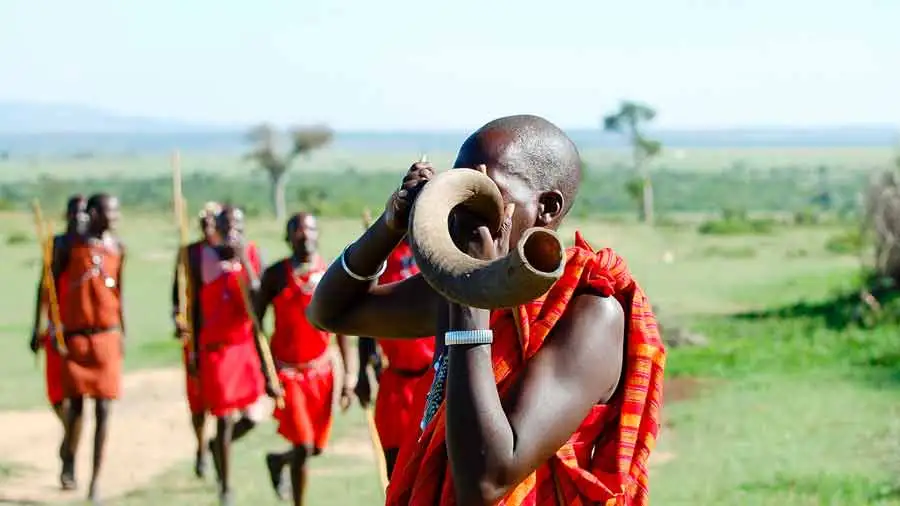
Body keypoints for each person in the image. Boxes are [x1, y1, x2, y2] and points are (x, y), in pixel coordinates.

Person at [307, 115, 666, 506]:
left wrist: (470, 294)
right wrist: (390, 224)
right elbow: (333, 313)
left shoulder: (591, 313)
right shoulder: (459, 290)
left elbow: (487, 481)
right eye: (458, 190)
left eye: (483, 193)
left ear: (546, 207)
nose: (461, 212)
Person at [254, 212, 353, 506]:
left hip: (322, 372)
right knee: (304, 444)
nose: (304, 235)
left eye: (309, 229)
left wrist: (348, 378)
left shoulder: (331, 273)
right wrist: (265, 372)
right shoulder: (275, 275)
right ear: (288, 238)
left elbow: (342, 325)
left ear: (317, 234)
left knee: (316, 448)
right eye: (297, 230)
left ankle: (277, 461)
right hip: (288, 374)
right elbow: (255, 325)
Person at [197, 204, 277, 506]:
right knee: (225, 417)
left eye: (237, 225)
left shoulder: (255, 254)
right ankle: (226, 486)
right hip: (217, 349)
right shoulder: (201, 256)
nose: (232, 230)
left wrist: (242, 258)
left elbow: (259, 298)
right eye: (226, 225)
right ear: (216, 228)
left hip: (245, 345)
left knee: (253, 417)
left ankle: (217, 446)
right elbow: (193, 306)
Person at [57, 193, 125, 504]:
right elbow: (50, 286)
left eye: (116, 211)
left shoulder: (118, 248)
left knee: (104, 410)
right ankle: (68, 455)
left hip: (107, 337)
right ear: (95, 213)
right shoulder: (70, 246)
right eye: (109, 211)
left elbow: (119, 293)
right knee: (74, 410)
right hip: (75, 338)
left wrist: (123, 331)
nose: (115, 216)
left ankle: (96, 481)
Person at [354, 240, 435, 479]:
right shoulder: (379, 258)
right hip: (396, 383)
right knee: (396, 469)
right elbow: (365, 317)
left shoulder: (438, 249)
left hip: (436, 381)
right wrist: (362, 371)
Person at [29, 194, 87, 489]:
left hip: (83, 336)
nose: (79, 218)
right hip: (56, 333)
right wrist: (35, 329)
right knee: (56, 396)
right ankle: (70, 437)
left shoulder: (91, 249)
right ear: (66, 215)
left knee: (76, 400)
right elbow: (43, 288)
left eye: (83, 213)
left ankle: (69, 465)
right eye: (74, 213)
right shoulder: (57, 246)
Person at [171, 201, 221, 479]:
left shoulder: (228, 255)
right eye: (204, 221)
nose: (208, 226)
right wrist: (178, 319)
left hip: (221, 337)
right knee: (198, 398)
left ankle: (217, 446)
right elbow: (176, 295)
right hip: (195, 336)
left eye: (213, 221)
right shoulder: (189, 253)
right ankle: (201, 446)